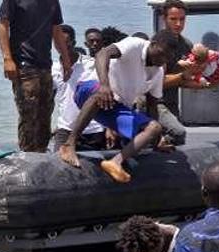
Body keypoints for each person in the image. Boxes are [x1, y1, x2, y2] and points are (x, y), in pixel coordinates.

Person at [57, 36, 169, 183]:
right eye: (162, 53)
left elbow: (152, 106)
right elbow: (103, 53)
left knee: (154, 127)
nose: (163, 59)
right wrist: (104, 84)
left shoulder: (158, 73)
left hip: (113, 107)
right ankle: (69, 144)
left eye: (168, 57)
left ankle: (115, 162)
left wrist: (157, 139)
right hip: (90, 90)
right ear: (153, 44)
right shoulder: (135, 45)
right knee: (99, 93)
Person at [0, 0, 72, 152]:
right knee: (29, 113)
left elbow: (56, 31)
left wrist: (65, 58)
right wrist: (7, 59)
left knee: (46, 112)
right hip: (23, 64)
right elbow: (3, 25)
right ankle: (27, 154)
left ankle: (41, 152)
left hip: (45, 64)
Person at [152, 0, 219, 146]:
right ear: (164, 19)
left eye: (182, 19)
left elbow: (185, 81)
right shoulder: (158, 45)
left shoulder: (186, 45)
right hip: (153, 102)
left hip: (171, 102)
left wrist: (209, 84)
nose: (178, 24)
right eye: (173, 19)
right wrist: (184, 75)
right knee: (178, 133)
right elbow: (157, 84)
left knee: (176, 142)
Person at [52, 24, 107, 151]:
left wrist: (110, 127)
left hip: (93, 129)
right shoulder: (53, 68)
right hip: (65, 129)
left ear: (74, 42)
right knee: (58, 166)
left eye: (66, 43)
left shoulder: (92, 65)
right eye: (58, 44)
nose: (62, 48)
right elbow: (50, 100)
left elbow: (106, 94)